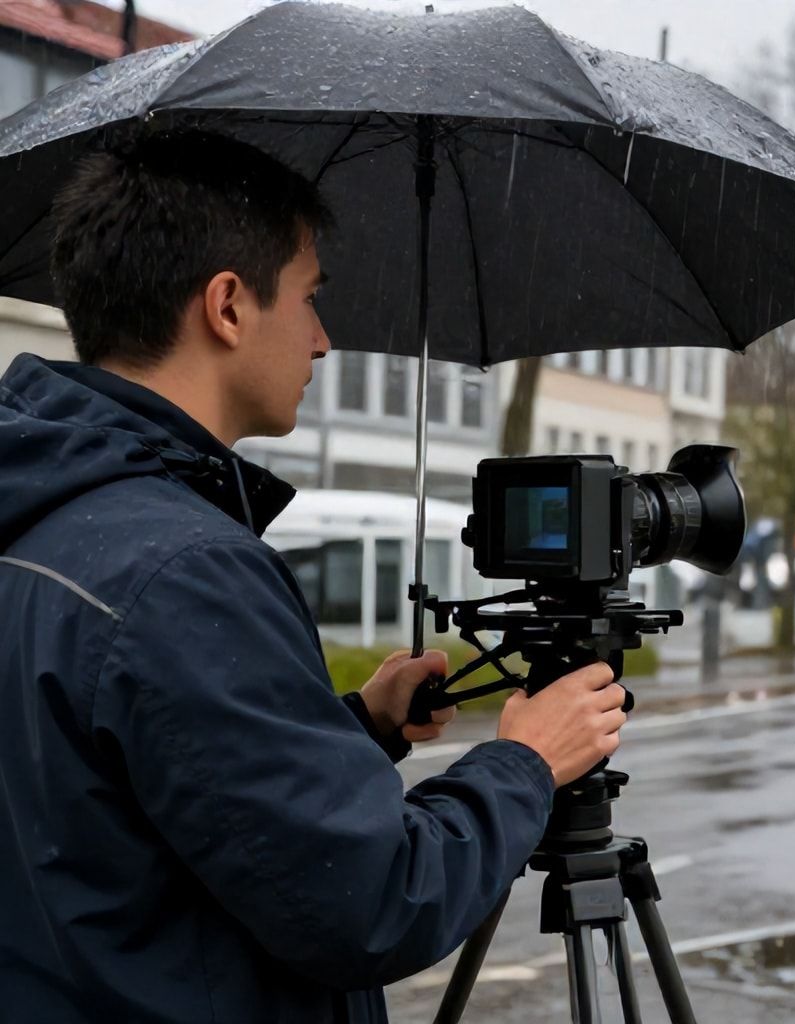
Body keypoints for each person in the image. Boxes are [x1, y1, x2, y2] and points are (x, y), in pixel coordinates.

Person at [0, 130, 628, 1023]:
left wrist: (356, 729)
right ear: (226, 306)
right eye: (308, 298)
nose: (325, 341)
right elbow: (375, 902)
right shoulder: (186, 571)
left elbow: (122, 793)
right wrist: (526, 763)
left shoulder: (42, 511)